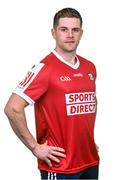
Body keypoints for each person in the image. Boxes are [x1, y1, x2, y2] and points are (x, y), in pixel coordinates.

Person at [4, 7, 100, 180]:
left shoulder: (89, 67)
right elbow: (12, 108)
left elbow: (90, 103)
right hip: (60, 165)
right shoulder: (44, 69)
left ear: (81, 33)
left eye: (75, 30)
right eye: (64, 29)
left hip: (90, 160)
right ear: (54, 33)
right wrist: (34, 147)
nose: (70, 34)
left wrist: (87, 141)